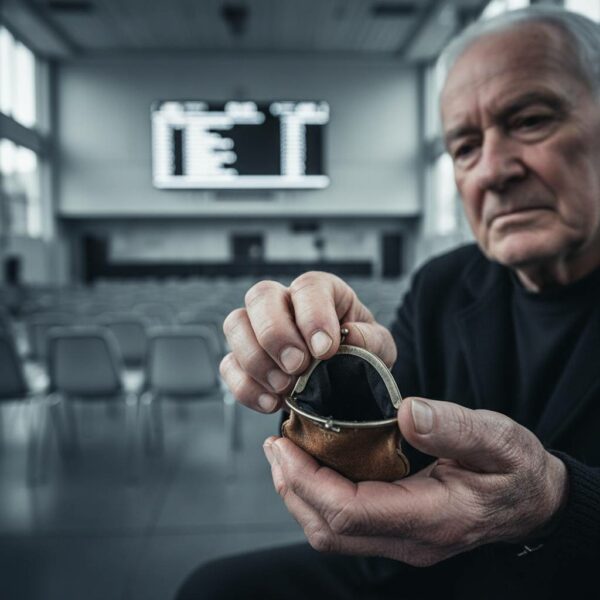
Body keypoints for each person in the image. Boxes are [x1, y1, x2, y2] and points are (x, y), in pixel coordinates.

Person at [176, 6, 600, 599]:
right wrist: (327, 367)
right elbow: (392, 449)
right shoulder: (443, 285)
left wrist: (560, 503)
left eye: (530, 121)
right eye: (465, 147)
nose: (492, 171)